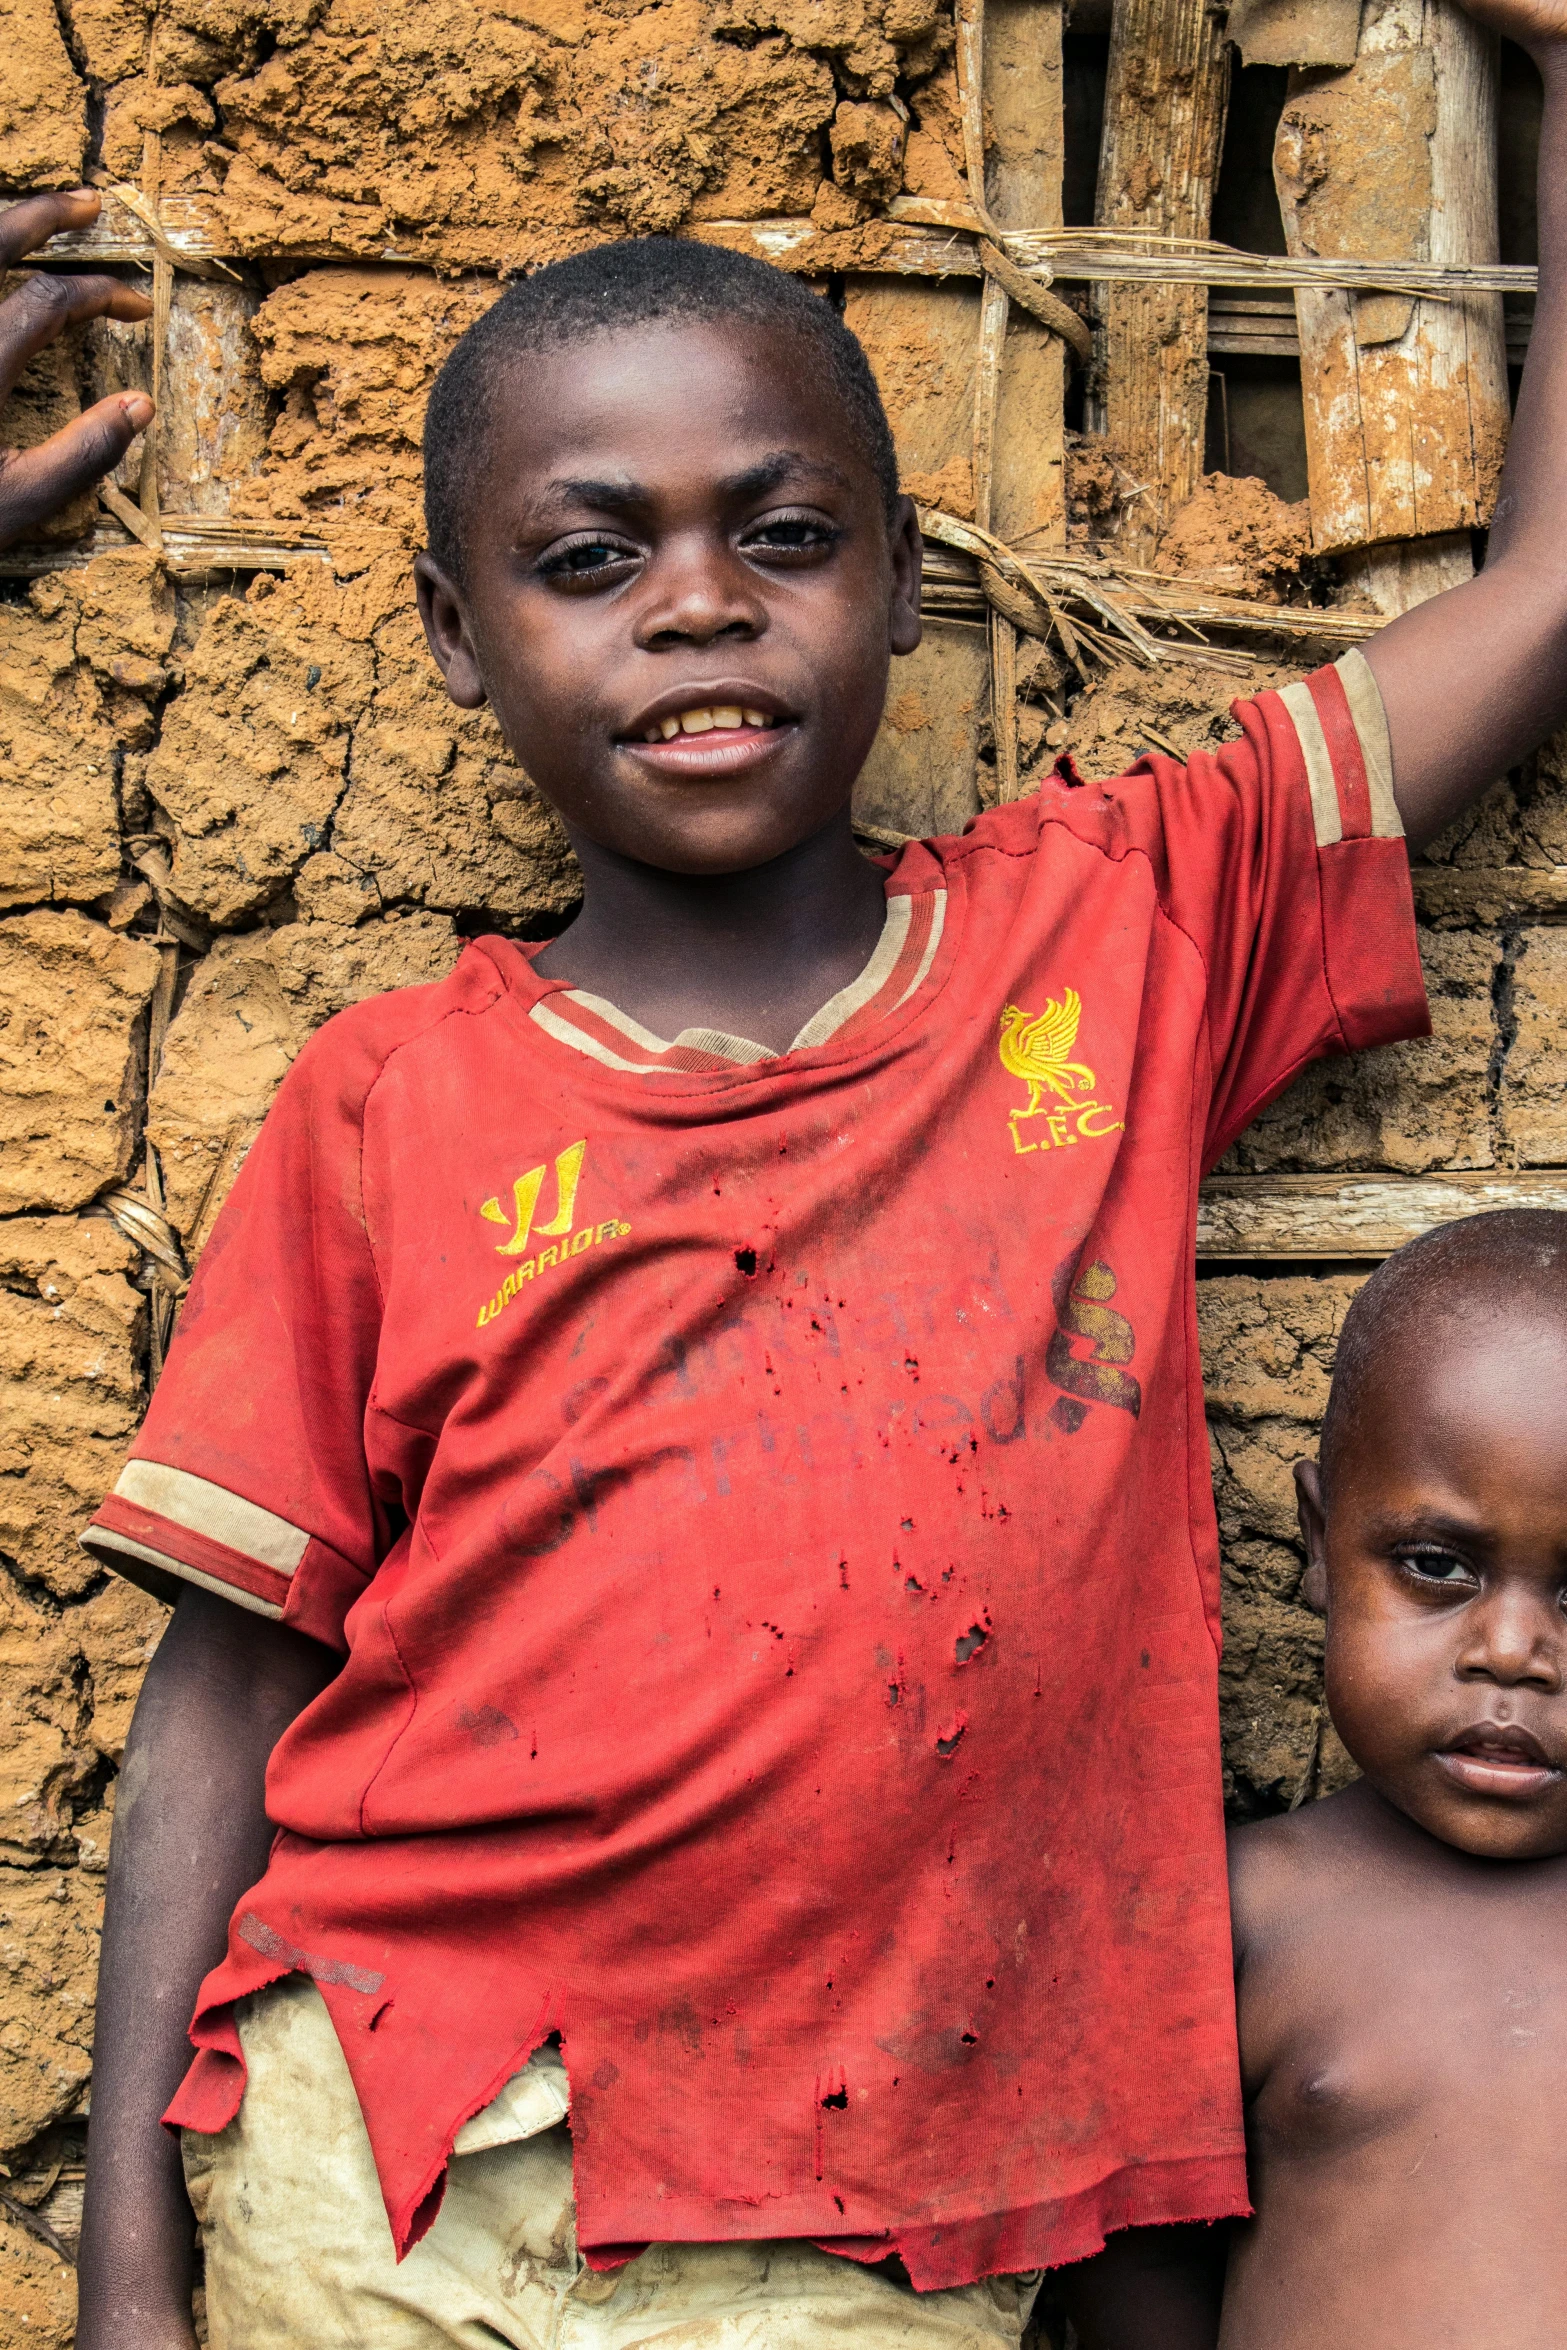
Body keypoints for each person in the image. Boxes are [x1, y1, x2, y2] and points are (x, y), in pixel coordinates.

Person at [0, 0, 1544, 2331]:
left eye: (780, 531)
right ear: (450, 631)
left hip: (868, 2222)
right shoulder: (384, 1100)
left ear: (902, 581)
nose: (698, 601)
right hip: (388, 2153)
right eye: (591, 556)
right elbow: (224, 1689)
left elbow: (1538, 599)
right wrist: (128, 2258)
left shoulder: (1104, 941)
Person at [1058, 1210, 1567, 2350]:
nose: (1511, 1650)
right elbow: (1136, 2273)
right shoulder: (1234, 1919)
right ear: (1316, 1540)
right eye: (1437, 1566)